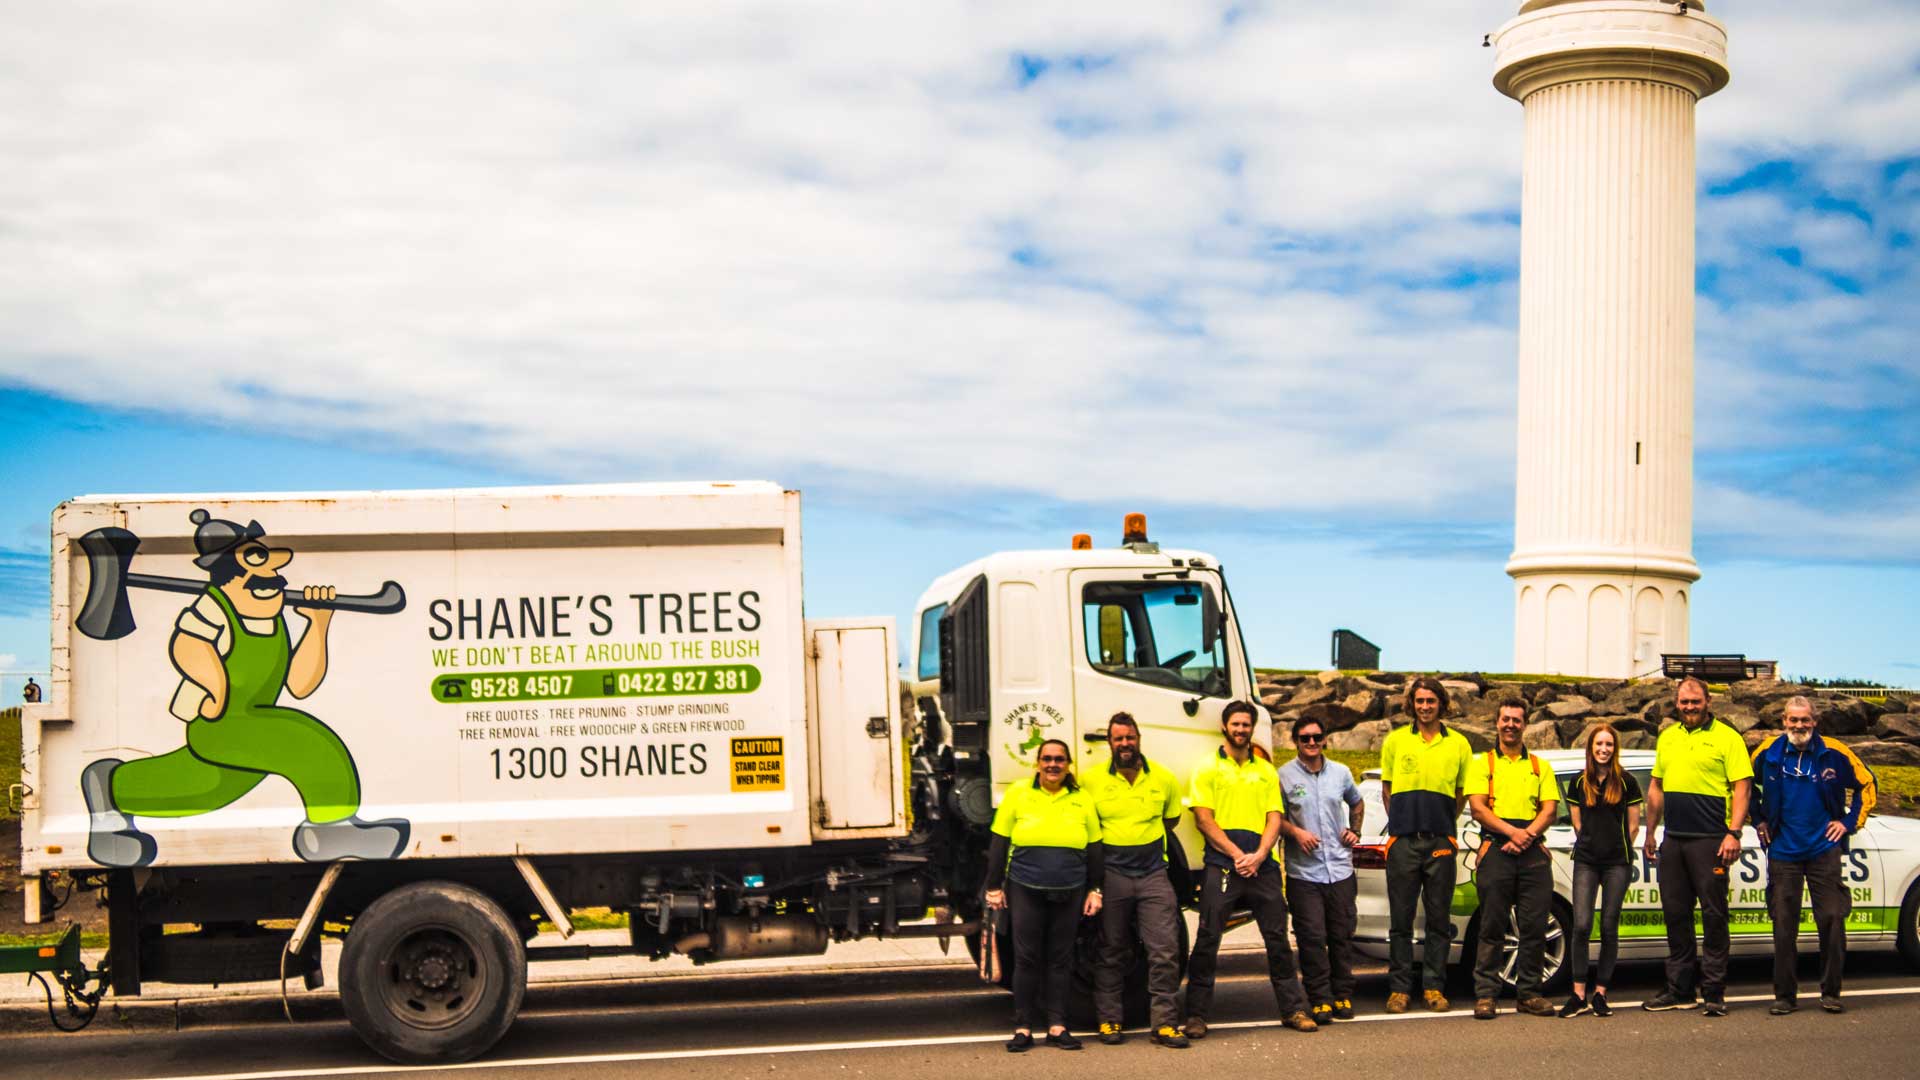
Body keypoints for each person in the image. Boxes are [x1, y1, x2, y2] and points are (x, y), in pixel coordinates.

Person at [79, 509, 408, 868]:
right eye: (261, 570)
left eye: (275, 572)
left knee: (205, 788)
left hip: (250, 725)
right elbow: (188, 645)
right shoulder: (215, 606)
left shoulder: (274, 617)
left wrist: (318, 623)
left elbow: (300, 684)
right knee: (309, 742)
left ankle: (111, 789)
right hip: (219, 723)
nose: (275, 579)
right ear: (228, 575)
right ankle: (331, 827)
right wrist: (215, 686)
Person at [1183, 700, 1318, 1038]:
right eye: (1236, 724)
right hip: (1222, 866)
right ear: (1224, 728)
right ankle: (1197, 1016)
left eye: (1246, 725)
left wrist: (1258, 855)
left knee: (1277, 941)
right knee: (1207, 940)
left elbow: (1275, 817)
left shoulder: (1266, 771)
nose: (1241, 730)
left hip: (1263, 866)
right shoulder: (1207, 768)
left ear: (1252, 728)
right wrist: (1237, 855)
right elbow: (1204, 820)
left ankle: (1294, 1010)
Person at [1751, 696, 1876, 1016]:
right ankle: (1784, 996)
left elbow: (1867, 783)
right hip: (1783, 851)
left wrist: (1848, 823)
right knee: (1783, 925)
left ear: (1815, 721)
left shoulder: (1835, 751)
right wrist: (1758, 820)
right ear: (1783, 721)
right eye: (1793, 720)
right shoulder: (1768, 753)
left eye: (1804, 720)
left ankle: (1831, 991)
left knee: (1833, 920)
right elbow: (1742, 786)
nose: (1799, 726)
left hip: (1824, 850)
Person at [984, 737, 1104, 1052]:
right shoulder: (1018, 794)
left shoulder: (1082, 799)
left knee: (1061, 959)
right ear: (1037, 763)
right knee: (1026, 958)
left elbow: (1095, 848)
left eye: (1059, 759)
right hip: (1025, 887)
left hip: (1071, 889)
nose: (1053, 764)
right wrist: (994, 887)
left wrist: (1096, 889)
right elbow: (999, 842)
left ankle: (1057, 1026)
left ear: (1068, 765)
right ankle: (1023, 1028)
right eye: (1047, 759)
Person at [1642, 676, 1752, 1016]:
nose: (1689, 707)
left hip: (1710, 840)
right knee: (1676, 916)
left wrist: (1734, 832)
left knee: (1714, 915)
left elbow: (1743, 787)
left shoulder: (1728, 738)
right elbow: (1656, 787)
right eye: (1684, 702)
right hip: (1674, 838)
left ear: (1708, 702)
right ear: (1677, 703)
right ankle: (1680, 988)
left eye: (1695, 701)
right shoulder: (1668, 738)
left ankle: (1714, 991)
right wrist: (1650, 832)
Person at [1084, 712, 1189, 1048]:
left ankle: (1164, 1025)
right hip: (1112, 876)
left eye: (1130, 737)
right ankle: (1110, 1022)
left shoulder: (1163, 778)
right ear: (1110, 743)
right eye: (1118, 739)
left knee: (1165, 950)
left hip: (1153, 875)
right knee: (1111, 949)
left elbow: (1170, 819)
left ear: (1139, 739)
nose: (1125, 744)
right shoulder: (1090, 781)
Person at [1378, 676, 1472, 1013]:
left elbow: (1461, 793)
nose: (1425, 706)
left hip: (1440, 843)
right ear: (1411, 704)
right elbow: (1387, 790)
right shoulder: (1396, 741)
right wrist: (1399, 828)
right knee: (1400, 922)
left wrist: (1446, 829)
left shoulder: (1459, 744)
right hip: (1403, 842)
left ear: (1441, 704)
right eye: (1419, 701)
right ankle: (1399, 989)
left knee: (1438, 920)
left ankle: (1434, 987)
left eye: (1431, 701)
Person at [1466, 702, 1561, 1019]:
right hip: (1496, 848)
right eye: (1505, 719)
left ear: (1525, 725)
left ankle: (1529, 993)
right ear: (1496, 723)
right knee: (1492, 926)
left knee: (1534, 927)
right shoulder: (1483, 764)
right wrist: (1512, 834)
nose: (1511, 725)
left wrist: (1527, 836)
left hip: (1532, 851)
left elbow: (1549, 810)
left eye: (1517, 720)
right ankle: (1486, 995)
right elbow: (1478, 808)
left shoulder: (1539, 766)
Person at [1279, 715, 1364, 1024]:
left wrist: (1355, 830)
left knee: (1341, 935)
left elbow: (1356, 803)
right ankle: (1320, 999)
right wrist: (1296, 832)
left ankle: (1342, 995)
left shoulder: (1341, 773)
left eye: (1317, 737)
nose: (1311, 742)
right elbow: (1275, 818)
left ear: (1325, 739)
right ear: (1296, 741)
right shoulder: (1284, 776)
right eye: (1305, 738)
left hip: (1339, 869)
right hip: (1305, 874)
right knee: (1312, 937)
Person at [1559, 722, 1641, 1018]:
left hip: (1617, 862)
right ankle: (1578, 993)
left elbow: (1633, 825)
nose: (1604, 749)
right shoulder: (1578, 782)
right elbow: (1577, 822)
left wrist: (1617, 848)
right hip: (1586, 861)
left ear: (1614, 749)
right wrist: (1592, 844)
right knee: (1581, 925)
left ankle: (1601, 993)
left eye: (1608, 745)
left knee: (1609, 925)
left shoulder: (1628, 782)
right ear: (1591, 748)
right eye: (1599, 745)